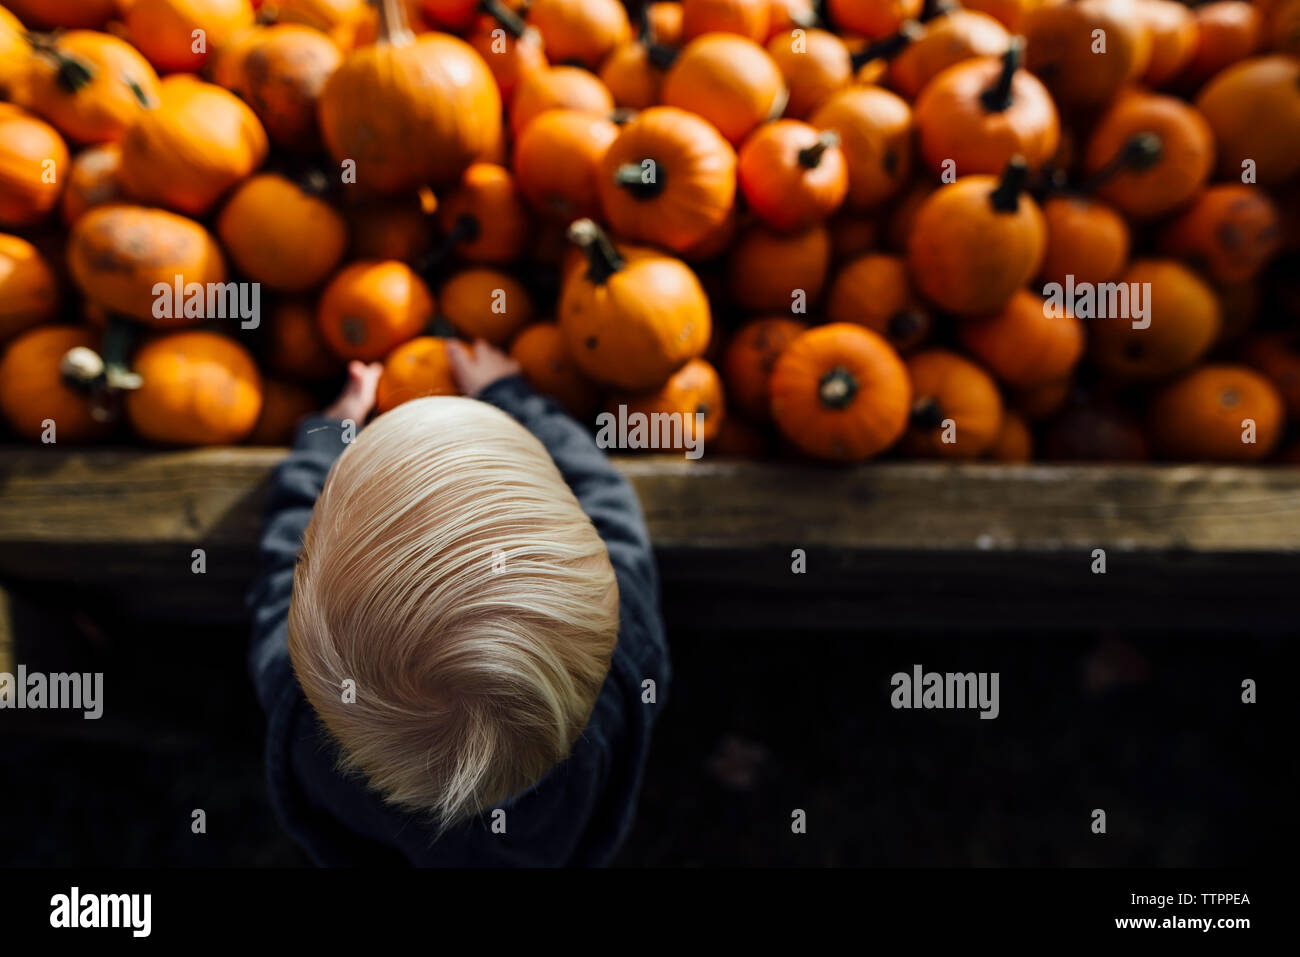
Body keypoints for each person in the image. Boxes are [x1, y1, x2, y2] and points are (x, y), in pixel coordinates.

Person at [246, 340, 668, 865]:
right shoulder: (625, 671)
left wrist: (327, 437)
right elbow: (608, 501)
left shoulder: (303, 720)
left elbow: (283, 562)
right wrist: (514, 398)